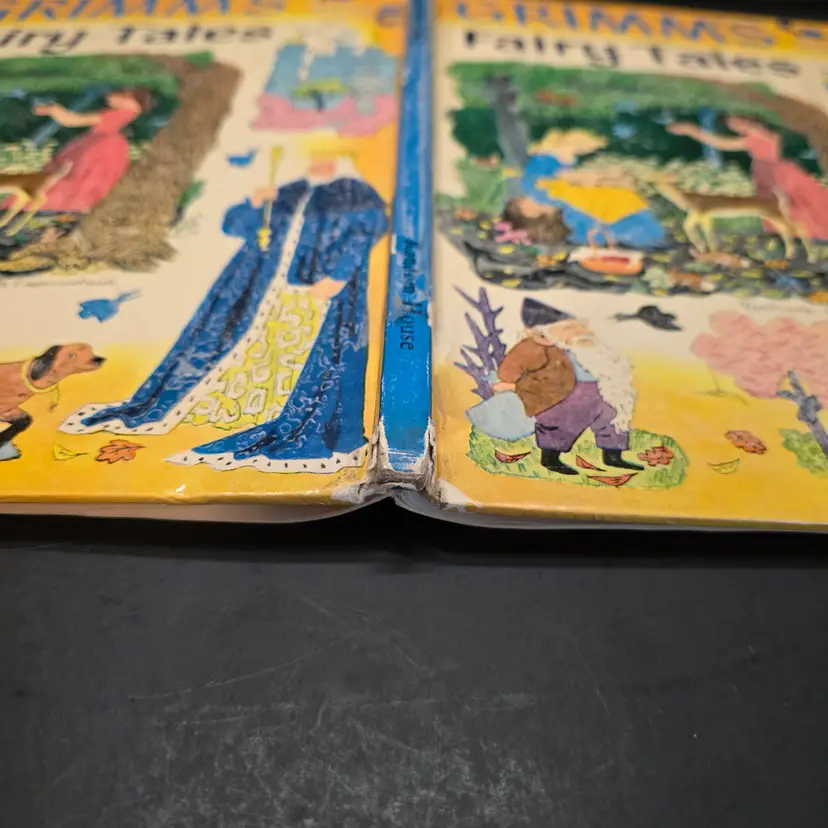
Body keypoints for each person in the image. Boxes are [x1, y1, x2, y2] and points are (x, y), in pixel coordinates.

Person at [60, 150, 389, 473]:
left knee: (300, 358)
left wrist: (337, 277)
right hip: (264, 288)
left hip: (314, 292)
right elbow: (234, 225)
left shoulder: (353, 193)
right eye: (314, 158)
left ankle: (276, 412)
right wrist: (254, 203)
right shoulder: (290, 191)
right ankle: (238, 408)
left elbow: (365, 234)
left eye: (325, 158)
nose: (316, 163)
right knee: (250, 348)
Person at [491, 299, 643, 475]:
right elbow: (510, 368)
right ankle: (551, 459)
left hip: (602, 391)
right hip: (560, 395)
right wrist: (512, 384)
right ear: (545, 331)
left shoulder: (591, 345)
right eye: (569, 328)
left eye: (581, 326)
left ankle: (613, 455)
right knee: (562, 422)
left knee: (612, 416)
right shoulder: (538, 346)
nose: (580, 332)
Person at [668, 116, 828, 241]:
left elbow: (720, 142)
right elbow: (719, 142)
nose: (736, 126)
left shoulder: (762, 135)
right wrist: (690, 130)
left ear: (747, 118)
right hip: (770, 172)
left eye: (736, 122)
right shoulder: (752, 138)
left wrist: (690, 130)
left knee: (799, 201)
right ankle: (804, 233)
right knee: (787, 205)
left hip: (777, 172)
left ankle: (809, 230)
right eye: (732, 125)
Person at [514, 128, 667, 249]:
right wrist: (605, 176)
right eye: (581, 149)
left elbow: (576, 179)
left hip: (566, 192)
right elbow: (571, 179)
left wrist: (608, 178)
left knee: (618, 193)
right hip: (559, 193)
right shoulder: (546, 162)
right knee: (610, 199)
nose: (579, 154)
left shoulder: (554, 162)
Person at [31, 88, 153, 213]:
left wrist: (52, 109)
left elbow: (71, 120)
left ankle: (59, 199)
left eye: (126, 96)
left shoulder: (118, 114)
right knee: (83, 177)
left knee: (79, 174)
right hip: (101, 144)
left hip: (100, 146)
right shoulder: (125, 113)